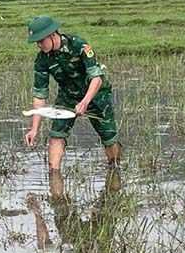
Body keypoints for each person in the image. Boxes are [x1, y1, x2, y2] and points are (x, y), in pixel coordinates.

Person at [23, 15, 120, 171]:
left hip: (96, 96)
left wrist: (85, 102)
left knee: (109, 138)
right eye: (36, 42)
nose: (39, 45)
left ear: (52, 34)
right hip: (67, 98)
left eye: (41, 40)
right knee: (56, 135)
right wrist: (34, 128)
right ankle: (54, 181)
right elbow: (40, 95)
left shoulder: (79, 46)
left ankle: (114, 171)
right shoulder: (42, 60)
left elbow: (97, 78)